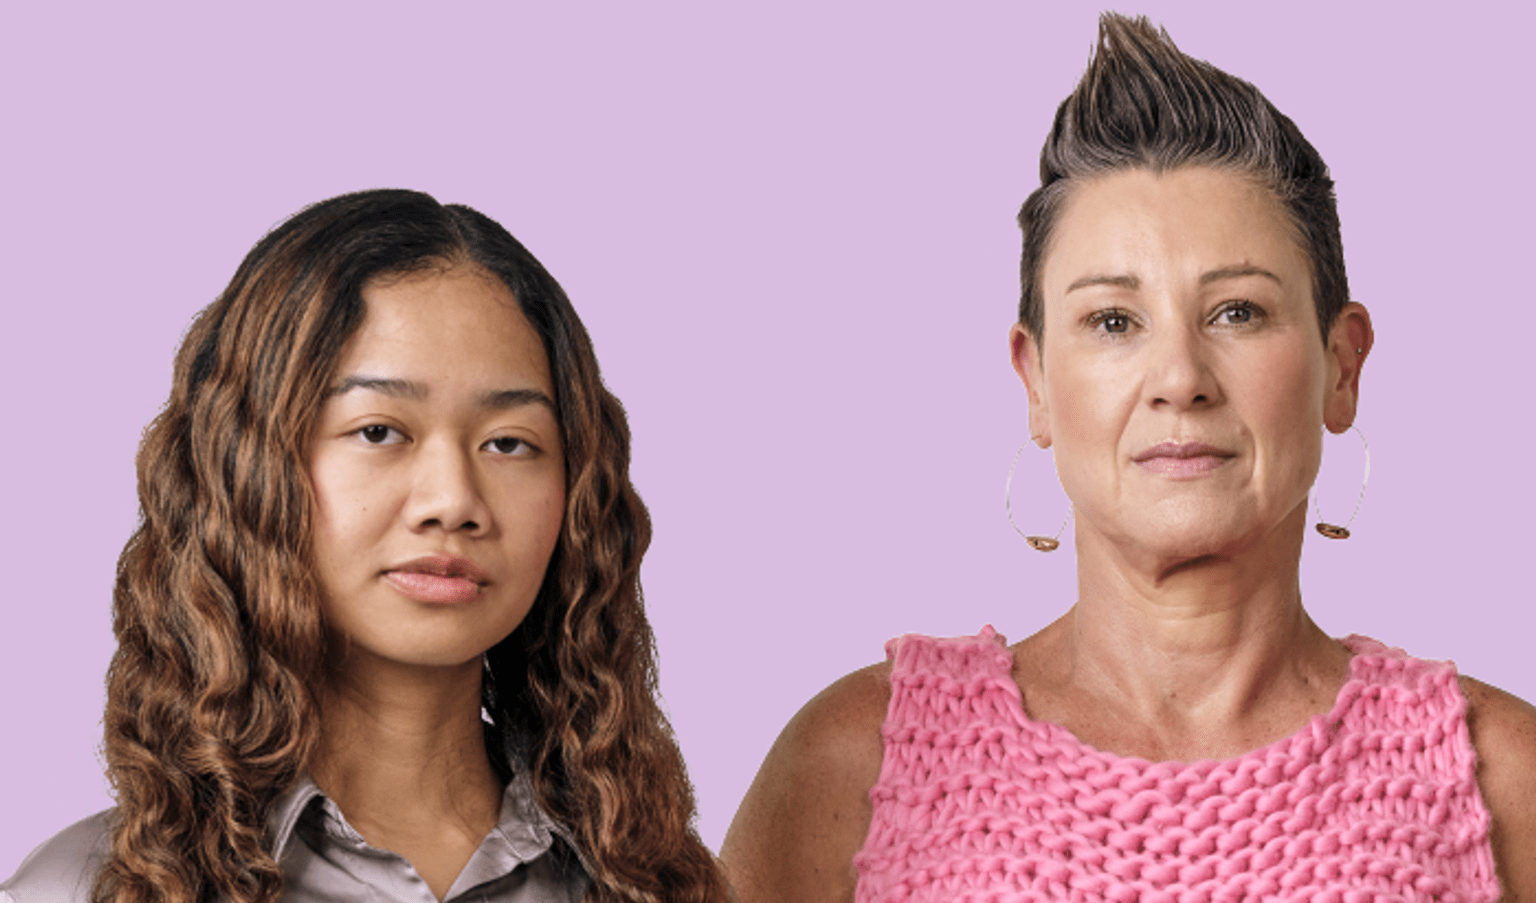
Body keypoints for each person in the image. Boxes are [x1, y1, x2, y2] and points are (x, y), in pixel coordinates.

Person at [720, 14, 1536, 902]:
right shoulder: (852, 765)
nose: (1179, 378)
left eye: (1238, 313)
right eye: (1113, 321)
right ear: (1035, 381)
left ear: (1343, 366)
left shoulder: (1501, 780)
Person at [1, 190, 730, 903]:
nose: (453, 500)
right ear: (249, 469)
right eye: (379, 430)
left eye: (509, 442)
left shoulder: (657, 882)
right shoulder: (82, 889)